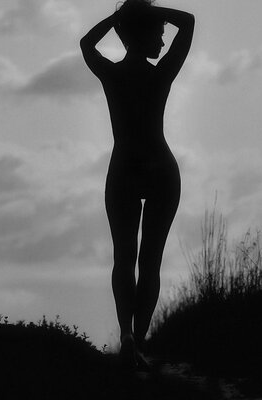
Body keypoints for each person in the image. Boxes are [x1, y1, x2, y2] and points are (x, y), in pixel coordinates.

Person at [80, 0, 194, 371]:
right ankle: (138, 342)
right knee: (150, 262)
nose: (162, 42)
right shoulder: (160, 75)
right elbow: (188, 22)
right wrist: (152, 14)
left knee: (124, 258)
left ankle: (128, 335)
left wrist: (124, 18)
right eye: (159, 35)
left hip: (126, 166)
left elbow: (86, 44)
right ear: (144, 35)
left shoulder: (112, 75)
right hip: (160, 167)